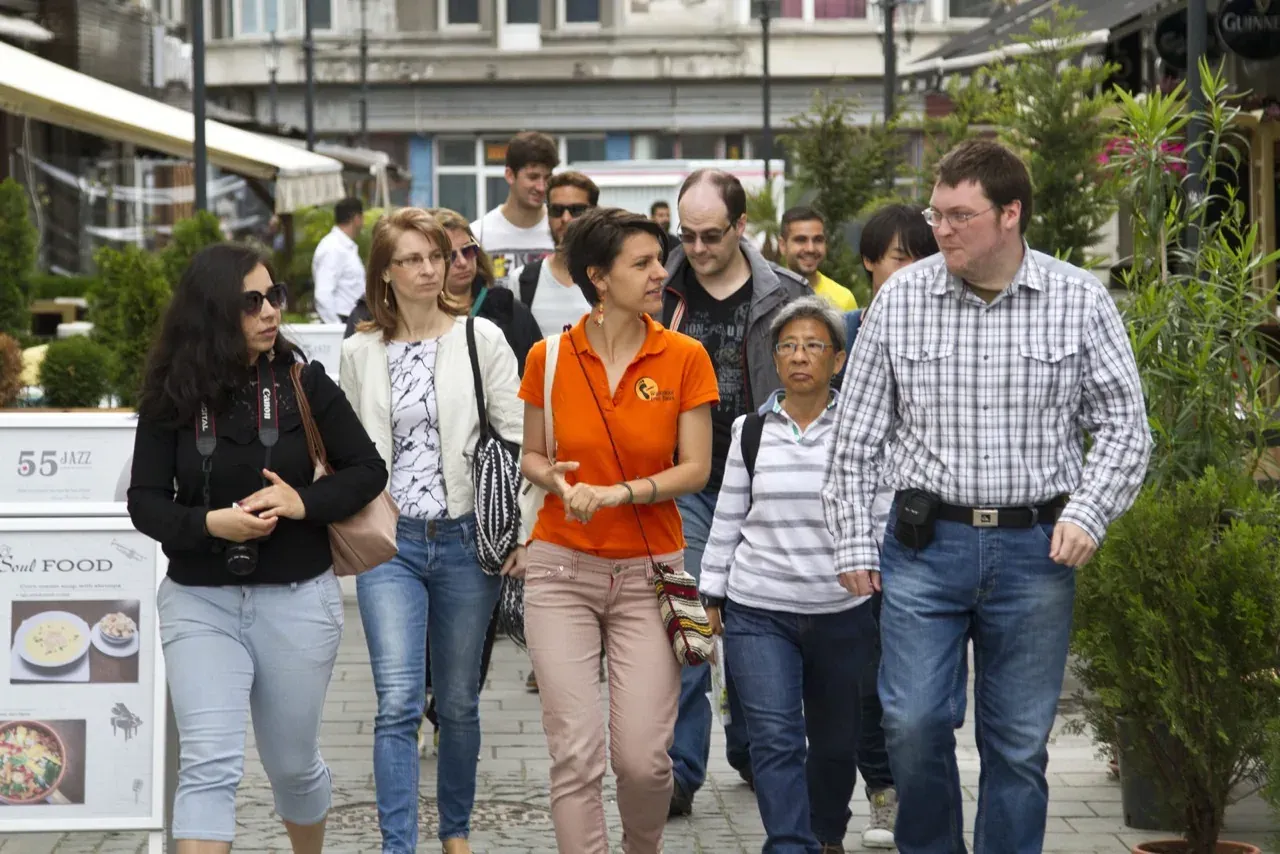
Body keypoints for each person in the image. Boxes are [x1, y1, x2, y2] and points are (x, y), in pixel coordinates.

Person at [821, 139, 1152, 854]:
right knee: (911, 724)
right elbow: (855, 438)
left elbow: (1127, 428)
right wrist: (851, 541)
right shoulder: (900, 300)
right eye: (935, 214)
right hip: (923, 548)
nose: (940, 229)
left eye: (959, 216)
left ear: (1010, 214)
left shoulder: (1079, 299)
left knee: (1018, 745)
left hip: (1037, 553)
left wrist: (1089, 512)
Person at [128, 243, 388, 854]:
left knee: (293, 767)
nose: (270, 311)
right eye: (252, 302)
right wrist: (208, 524)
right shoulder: (171, 393)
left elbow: (367, 469)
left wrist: (303, 502)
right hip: (199, 603)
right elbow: (145, 502)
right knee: (208, 764)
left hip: (298, 600)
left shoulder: (304, 381)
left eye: (275, 296)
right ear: (213, 310)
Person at [518, 207, 718, 854]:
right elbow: (531, 455)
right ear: (599, 278)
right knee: (575, 754)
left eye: (660, 260)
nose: (661, 272)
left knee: (644, 762)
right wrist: (556, 481)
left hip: (650, 575)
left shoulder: (685, 356)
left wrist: (620, 492)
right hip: (559, 570)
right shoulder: (548, 358)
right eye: (644, 263)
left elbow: (696, 468)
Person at [340, 207, 526, 854]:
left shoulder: (481, 338)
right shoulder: (359, 352)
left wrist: (523, 534)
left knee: (458, 702)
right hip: (389, 543)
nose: (429, 269)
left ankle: (455, 833)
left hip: (464, 538)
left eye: (436, 257)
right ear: (385, 273)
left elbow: (519, 438)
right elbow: (348, 451)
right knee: (396, 701)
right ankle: (399, 844)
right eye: (412, 259)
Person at [699, 295, 875, 854]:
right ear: (775, 360)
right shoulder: (750, 430)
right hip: (759, 610)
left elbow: (879, 512)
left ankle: (825, 833)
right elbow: (729, 516)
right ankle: (790, 844)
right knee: (775, 739)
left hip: (841, 611)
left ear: (838, 360)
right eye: (788, 346)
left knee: (835, 743)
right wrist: (711, 593)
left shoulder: (861, 430)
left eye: (814, 346)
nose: (800, 356)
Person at [661, 168, 809, 816]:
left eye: (711, 235)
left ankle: (751, 748)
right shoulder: (658, 289)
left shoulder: (787, 295)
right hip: (685, 481)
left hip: (763, 483)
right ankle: (679, 773)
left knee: (754, 621)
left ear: (741, 227)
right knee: (688, 622)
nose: (697, 247)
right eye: (686, 235)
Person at [834, 200, 940, 849]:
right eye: (901, 257)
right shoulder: (841, 334)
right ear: (870, 261)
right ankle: (883, 792)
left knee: (911, 684)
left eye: (923, 257)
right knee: (863, 677)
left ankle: (911, 794)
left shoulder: (945, 329)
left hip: (920, 535)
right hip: (852, 532)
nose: (913, 270)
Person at [513, 171, 599, 340]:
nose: (565, 218)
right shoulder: (522, 280)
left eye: (577, 210)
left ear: (594, 214)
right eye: (557, 210)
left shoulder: (613, 278)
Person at [471, 131, 559, 291]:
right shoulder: (479, 234)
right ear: (510, 175)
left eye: (547, 178)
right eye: (533, 177)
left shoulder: (560, 230)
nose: (542, 187)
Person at [779, 207, 856, 311]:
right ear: (782, 245)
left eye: (818, 240)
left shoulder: (844, 299)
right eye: (801, 240)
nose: (810, 249)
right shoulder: (767, 296)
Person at [313, 197, 367, 324]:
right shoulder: (333, 248)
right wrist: (337, 327)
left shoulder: (345, 247)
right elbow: (323, 294)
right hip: (342, 320)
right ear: (357, 218)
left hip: (353, 319)